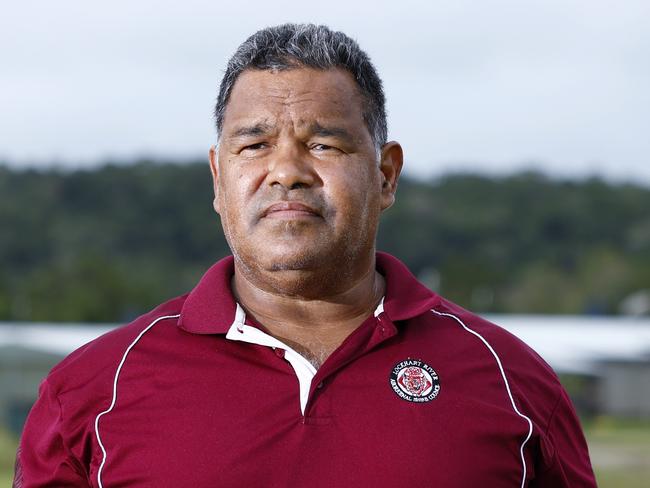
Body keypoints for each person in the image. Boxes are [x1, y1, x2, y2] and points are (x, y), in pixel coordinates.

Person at [14, 24, 596, 487]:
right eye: (255, 144)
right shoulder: (90, 390)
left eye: (323, 143)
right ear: (219, 177)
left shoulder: (512, 381)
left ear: (386, 174)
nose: (287, 172)